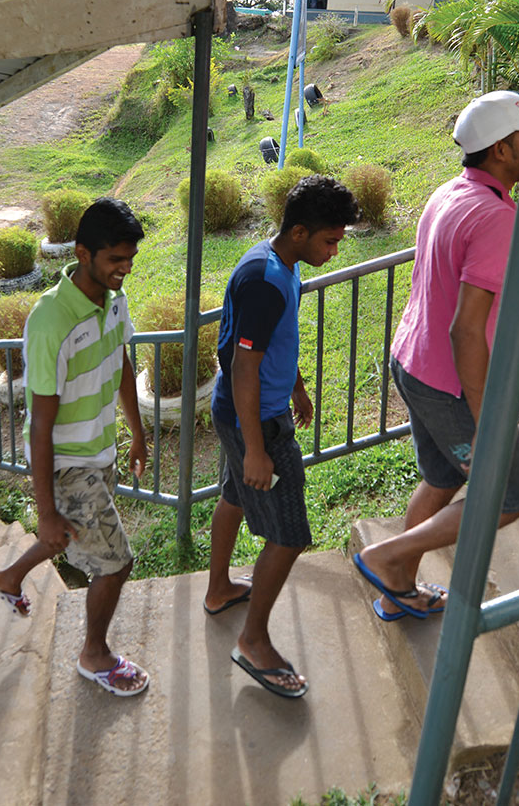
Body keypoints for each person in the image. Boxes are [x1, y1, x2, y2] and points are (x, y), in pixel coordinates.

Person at [352, 93, 519, 621]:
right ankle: (386, 556)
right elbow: (466, 330)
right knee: (514, 494)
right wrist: (488, 420)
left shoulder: (451, 192)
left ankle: (397, 586)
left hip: (414, 361)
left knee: (441, 480)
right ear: (502, 149)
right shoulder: (496, 218)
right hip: (451, 384)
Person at [0, 199, 151, 697]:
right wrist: (44, 507)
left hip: (101, 451)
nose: (125, 268)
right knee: (115, 561)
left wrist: (137, 432)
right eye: (116, 259)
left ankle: (8, 577)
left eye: (130, 258)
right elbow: (41, 422)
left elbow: (121, 361)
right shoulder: (50, 320)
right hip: (66, 463)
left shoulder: (114, 299)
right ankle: (94, 655)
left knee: (73, 530)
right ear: (82, 253)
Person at [207, 176, 357, 700]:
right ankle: (253, 641)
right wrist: (255, 448)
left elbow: (273, 344)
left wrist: (297, 386)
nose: (334, 252)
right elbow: (243, 367)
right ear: (298, 232)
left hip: (252, 409)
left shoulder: (279, 264)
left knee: (233, 496)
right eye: (329, 241)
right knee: (290, 535)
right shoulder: (266, 281)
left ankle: (218, 589)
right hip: (257, 421)